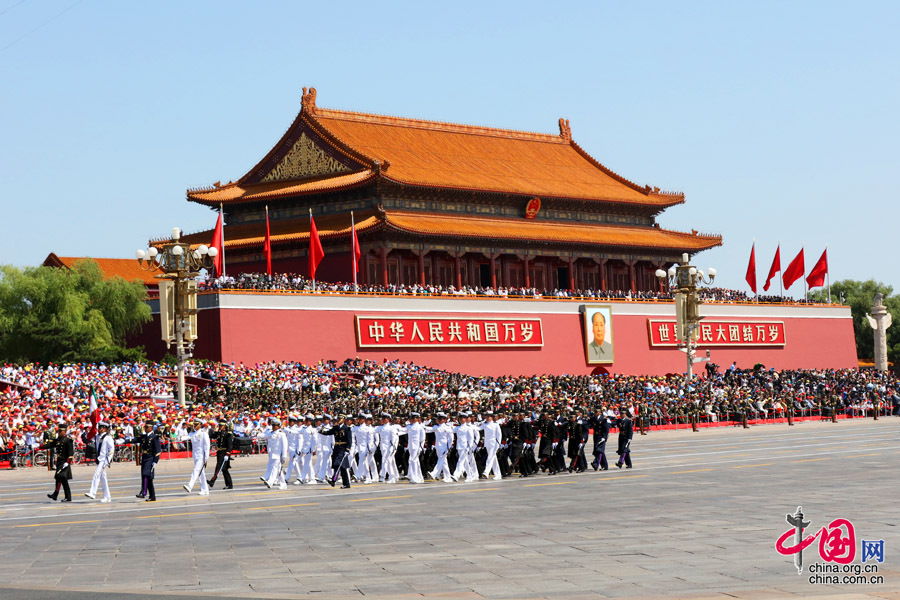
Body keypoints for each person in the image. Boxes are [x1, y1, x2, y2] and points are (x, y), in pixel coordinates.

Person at [318, 414, 352, 488]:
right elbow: (328, 432)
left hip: (343, 448)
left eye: (340, 418)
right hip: (336, 448)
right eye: (338, 418)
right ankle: (346, 484)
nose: (338, 420)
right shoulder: (336, 428)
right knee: (342, 467)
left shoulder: (346, 428)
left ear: (343, 420)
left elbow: (349, 440)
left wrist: (347, 450)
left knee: (337, 464)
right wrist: (321, 431)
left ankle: (333, 480)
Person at [85, 421, 114, 503]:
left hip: (104, 460)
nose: (99, 429)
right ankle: (107, 497)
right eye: (99, 428)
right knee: (103, 479)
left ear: (105, 429)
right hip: (99, 459)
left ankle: (93, 492)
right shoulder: (97, 436)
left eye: (101, 428)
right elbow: (88, 438)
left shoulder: (108, 437)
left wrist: (108, 461)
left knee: (96, 474)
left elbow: (111, 450)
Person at [44, 424, 74, 502]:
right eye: (59, 431)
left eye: (61, 431)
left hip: (64, 461)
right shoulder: (58, 439)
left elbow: (71, 453)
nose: (59, 432)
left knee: (59, 476)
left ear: (64, 431)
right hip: (60, 461)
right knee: (62, 479)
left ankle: (56, 494)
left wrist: (68, 462)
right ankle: (67, 497)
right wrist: (41, 445)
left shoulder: (68, 440)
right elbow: (50, 445)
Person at [183, 420, 210, 495]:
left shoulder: (203, 433)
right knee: (201, 473)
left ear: (200, 425)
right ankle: (205, 490)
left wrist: (206, 457)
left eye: (196, 424)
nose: (194, 425)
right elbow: (187, 437)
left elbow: (207, 446)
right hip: (195, 456)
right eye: (194, 424)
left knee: (196, 470)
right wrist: (179, 438)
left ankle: (190, 486)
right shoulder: (193, 433)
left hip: (202, 456)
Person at [136, 421, 161, 501]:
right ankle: (152, 496)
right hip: (144, 457)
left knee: (145, 474)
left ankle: (143, 492)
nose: (145, 428)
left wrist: (155, 461)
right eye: (145, 427)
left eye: (147, 427)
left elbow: (157, 450)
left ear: (151, 428)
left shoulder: (154, 437)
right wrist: (125, 441)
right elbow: (136, 439)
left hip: (150, 458)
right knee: (148, 477)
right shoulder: (144, 436)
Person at [262, 417, 288, 490]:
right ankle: (283, 484)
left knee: (274, 468)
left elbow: (284, 446)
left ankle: (270, 482)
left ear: (279, 426)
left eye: (275, 426)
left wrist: (284, 456)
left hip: (278, 455)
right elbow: (265, 436)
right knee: (278, 469)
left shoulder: (281, 434)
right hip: (272, 454)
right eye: (272, 425)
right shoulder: (271, 433)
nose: (273, 427)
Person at [207, 421, 234, 490]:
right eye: (220, 425)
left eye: (222, 425)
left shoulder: (229, 434)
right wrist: (215, 431)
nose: (220, 426)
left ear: (225, 426)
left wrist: (227, 454)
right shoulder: (219, 433)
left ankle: (212, 481)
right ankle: (229, 485)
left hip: (224, 452)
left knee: (219, 467)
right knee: (224, 470)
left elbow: (230, 445)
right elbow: (211, 436)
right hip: (219, 452)